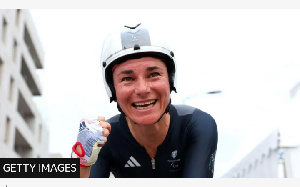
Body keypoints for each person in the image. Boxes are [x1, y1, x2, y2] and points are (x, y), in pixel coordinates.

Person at [71, 23, 218, 178]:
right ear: (113, 90)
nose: (142, 89)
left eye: (154, 74)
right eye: (127, 78)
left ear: (170, 81)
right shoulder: (105, 139)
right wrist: (83, 163)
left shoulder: (197, 125)